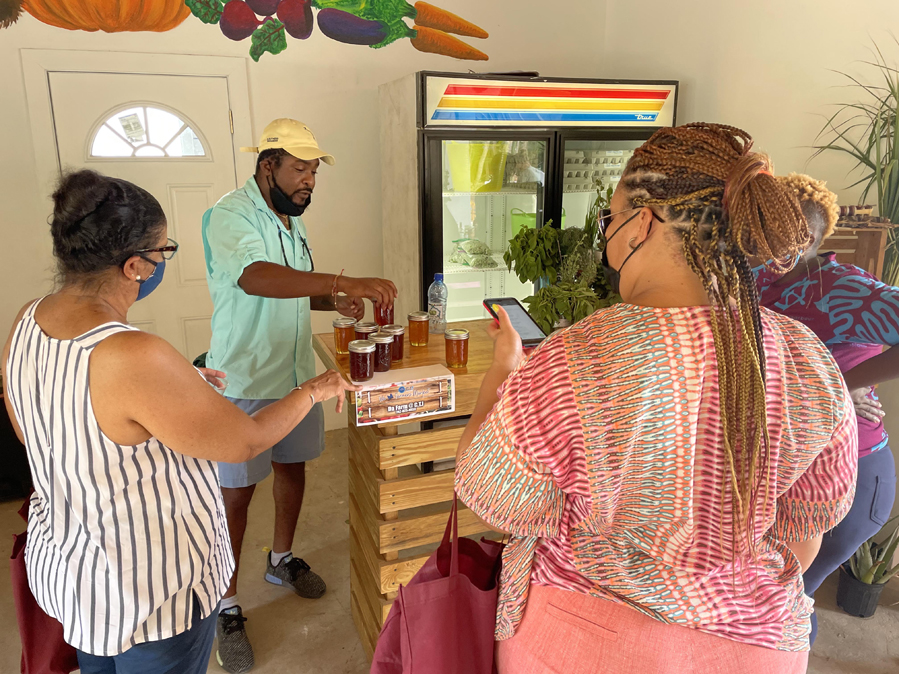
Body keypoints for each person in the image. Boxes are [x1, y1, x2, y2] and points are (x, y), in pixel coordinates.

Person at [454, 123, 859, 674]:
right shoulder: (808, 358)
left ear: (641, 224)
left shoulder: (577, 356)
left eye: (609, 220)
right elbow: (804, 536)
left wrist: (499, 375)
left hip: (582, 640)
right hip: (758, 648)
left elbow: (492, 497)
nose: (605, 237)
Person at [0, 170, 356, 674]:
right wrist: (315, 388)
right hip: (150, 587)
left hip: (73, 572)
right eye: (163, 252)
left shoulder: (27, 319)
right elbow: (244, 441)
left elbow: (39, 430)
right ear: (135, 266)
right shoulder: (131, 353)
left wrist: (169, 393)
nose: (164, 261)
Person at [202, 118, 397, 672]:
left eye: (314, 171)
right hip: (243, 378)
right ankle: (226, 602)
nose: (309, 180)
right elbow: (255, 278)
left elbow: (293, 286)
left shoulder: (290, 220)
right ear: (268, 166)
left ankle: (281, 559)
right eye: (300, 170)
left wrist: (329, 302)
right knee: (235, 495)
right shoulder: (231, 213)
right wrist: (344, 284)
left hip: (296, 377)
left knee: (293, 467)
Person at [755, 173, 898, 644]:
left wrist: (837, 384)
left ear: (818, 238)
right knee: (772, 594)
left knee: (788, 597)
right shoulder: (757, 276)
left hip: (854, 473)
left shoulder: (844, 290)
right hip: (795, 467)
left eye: (796, 237)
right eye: (767, 230)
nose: (778, 245)